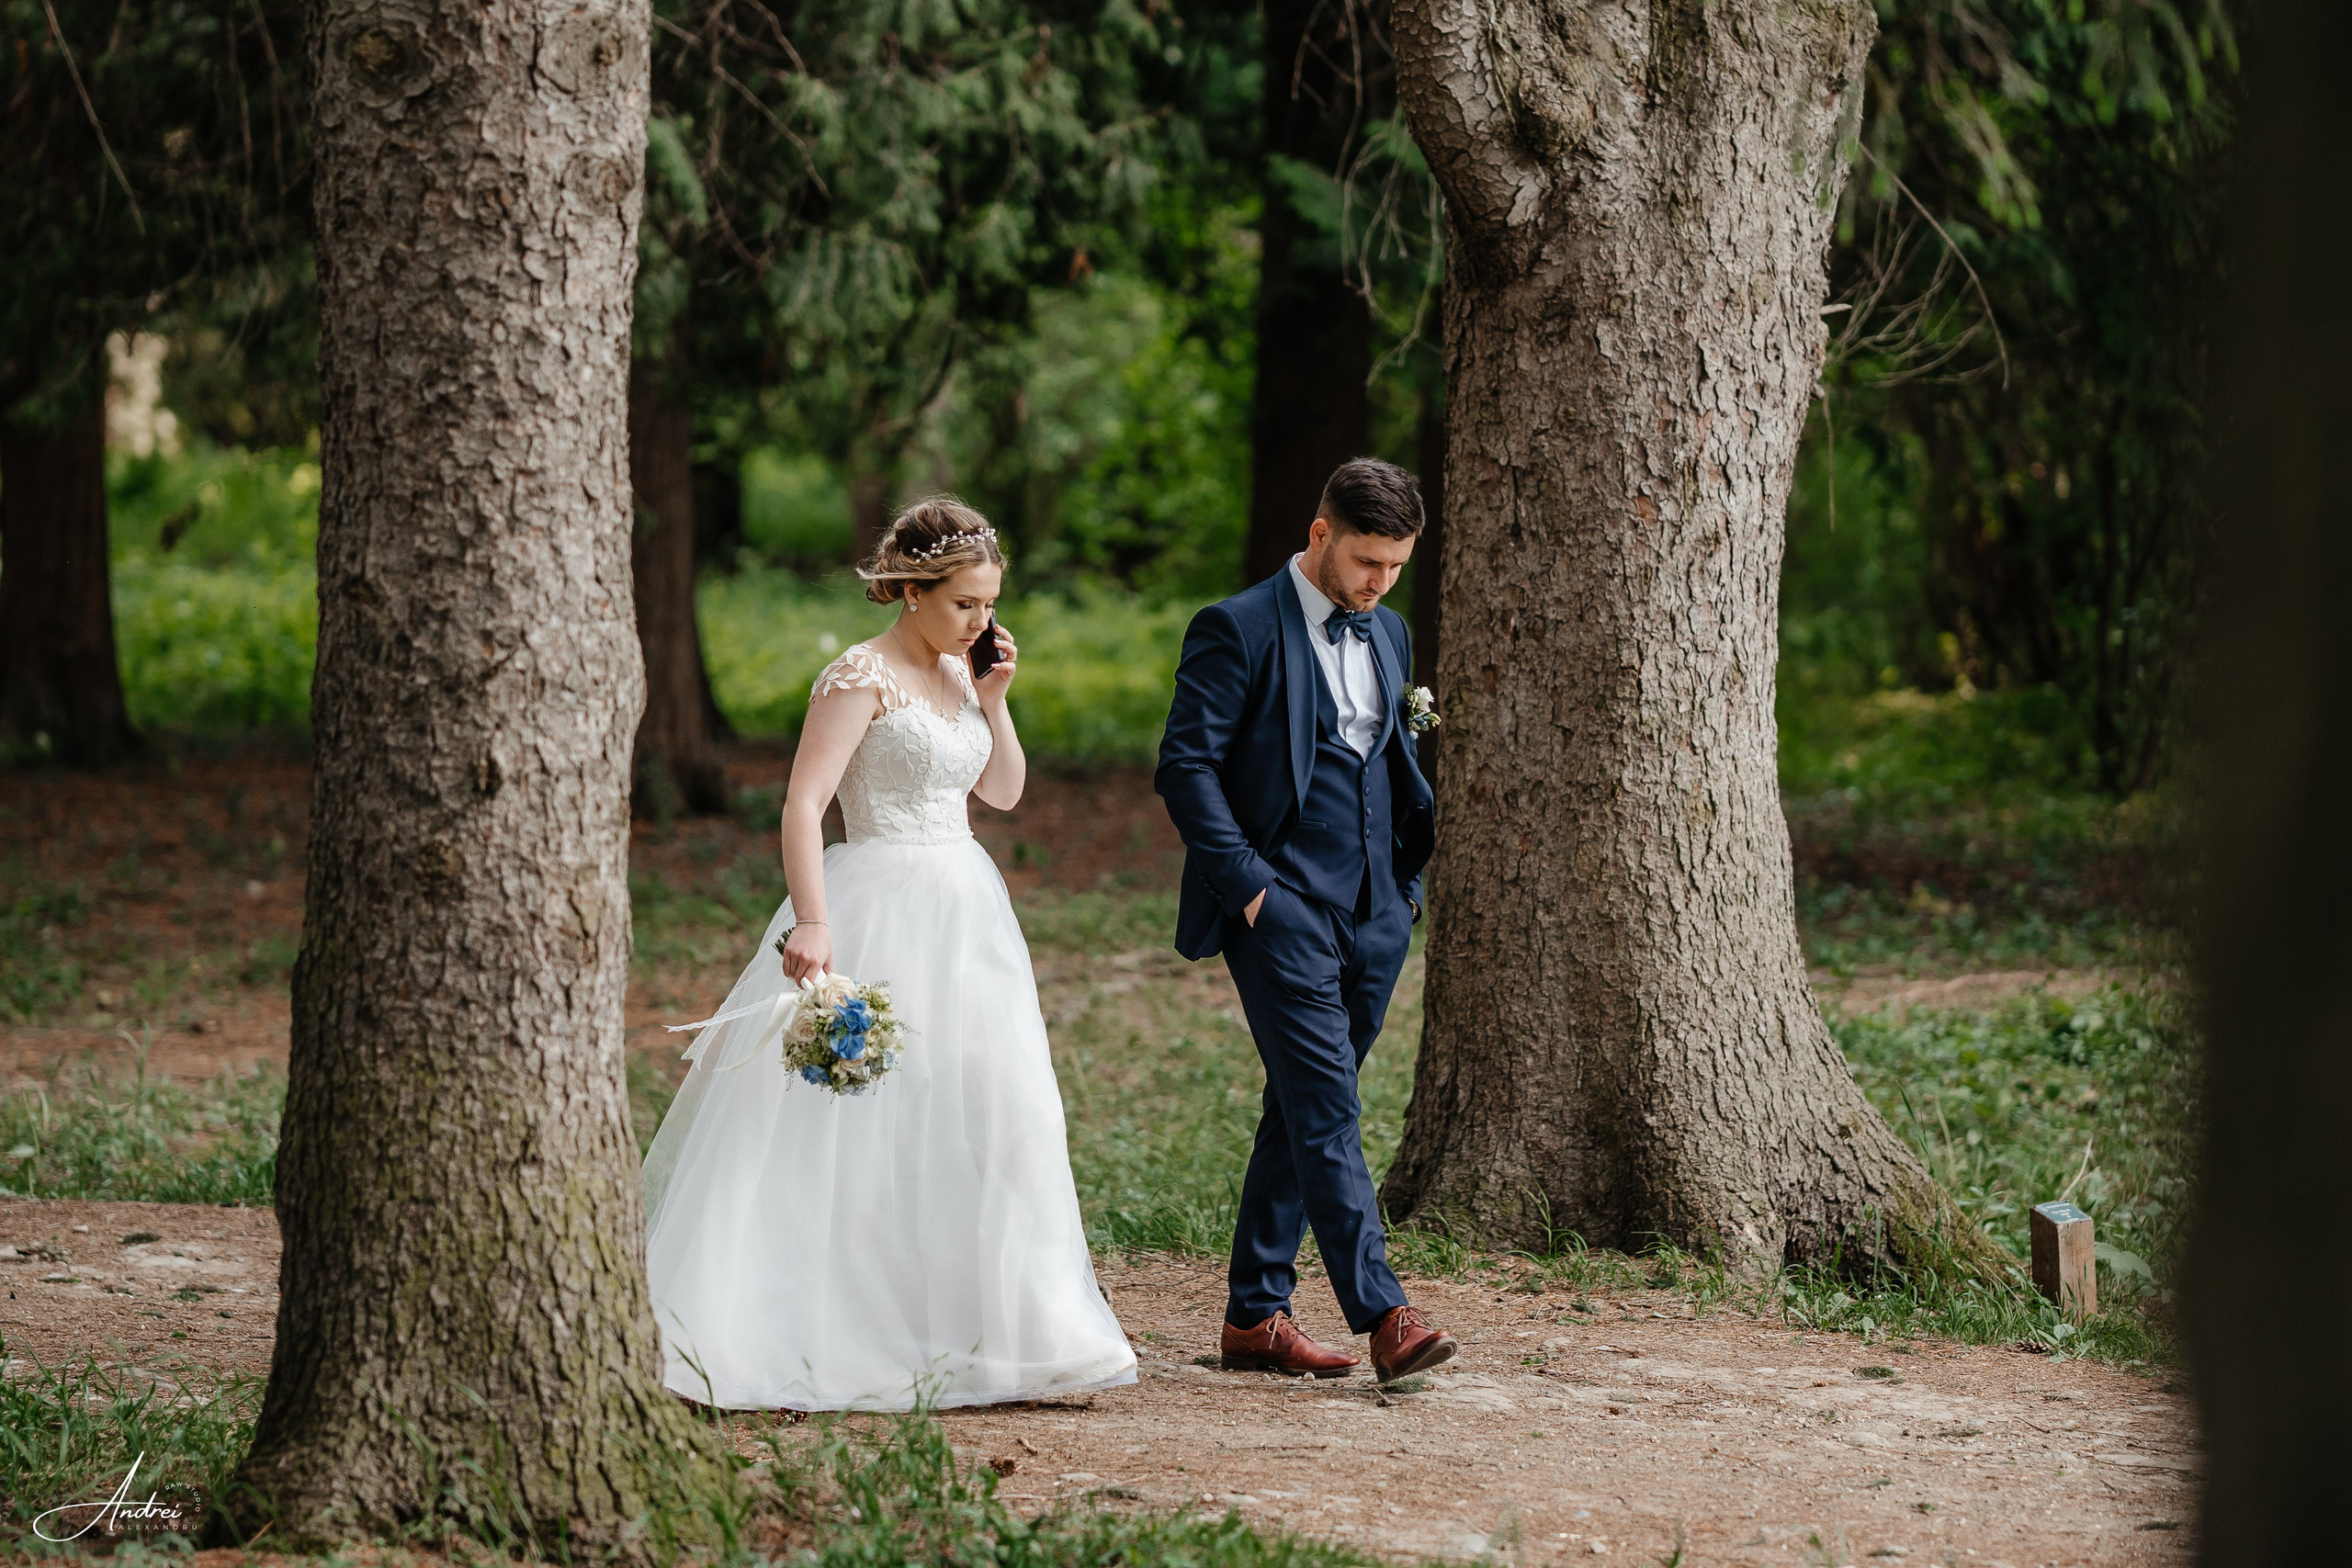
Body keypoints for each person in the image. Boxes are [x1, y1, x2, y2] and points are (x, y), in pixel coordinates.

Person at [639, 498, 1137, 1411]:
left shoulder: (960, 675)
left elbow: (1005, 792)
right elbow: (802, 804)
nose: (981, 622)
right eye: (964, 605)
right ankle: (809, 1323)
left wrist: (993, 699)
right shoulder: (857, 677)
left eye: (990, 604)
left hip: (966, 914)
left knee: (999, 1109)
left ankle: (1013, 1330)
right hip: (874, 901)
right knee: (851, 1115)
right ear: (910, 591)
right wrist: (813, 923)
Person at [1155, 457, 1456, 1383]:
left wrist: (1402, 888)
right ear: (1320, 534)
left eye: (1397, 565)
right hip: (1279, 909)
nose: (1380, 583)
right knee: (1328, 1107)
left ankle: (1254, 1318)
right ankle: (1386, 1315)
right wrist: (1251, 889)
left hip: (1375, 913)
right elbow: (1185, 768)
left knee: (1297, 1107)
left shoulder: (1391, 632)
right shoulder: (1236, 628)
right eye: (1367, 561)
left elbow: (1387, 760)